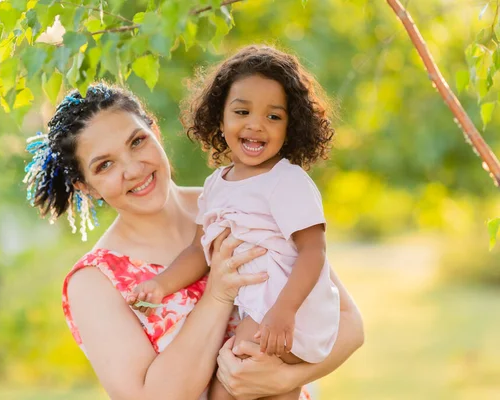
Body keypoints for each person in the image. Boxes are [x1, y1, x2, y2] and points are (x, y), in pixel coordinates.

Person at [23, 79, 363, 399]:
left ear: (154, 131)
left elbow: (348, 323)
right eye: (105, 165)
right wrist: (217, 293)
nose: (133, 169)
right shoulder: (95, 282)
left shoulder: (235, 203)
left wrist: (285, 379)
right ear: (86, 187)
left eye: (137, 141)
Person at [129, 45, 339, 400]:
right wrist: (162, 285)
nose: (256, 125)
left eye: (274, 117)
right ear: (220, 118)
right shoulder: (215, 186)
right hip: (258, 310)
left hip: (287, 308)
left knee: (237, 370)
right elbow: (200, 249)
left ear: (292, 126)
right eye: (242, 111)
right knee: (241, 378)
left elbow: (313, 250)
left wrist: (283, 312)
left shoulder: (287, 181)